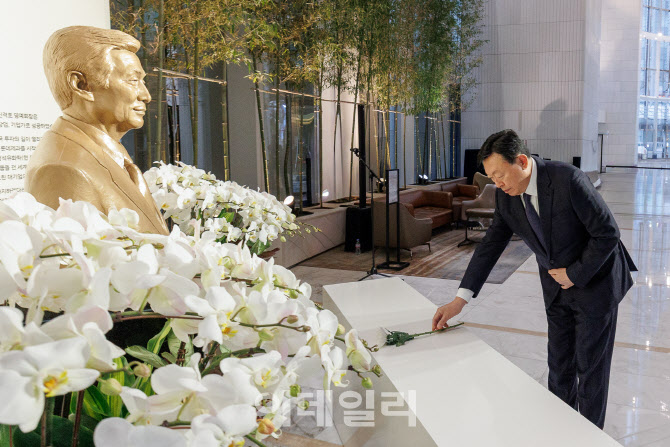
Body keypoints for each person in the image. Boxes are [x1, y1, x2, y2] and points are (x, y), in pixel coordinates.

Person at [432, 129, 636, 429]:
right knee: (559, 366)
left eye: (500, 175)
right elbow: (490, 246)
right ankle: (560, 430)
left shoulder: (568, 179)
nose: (498, 183)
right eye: (491, 177)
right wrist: (460, 300)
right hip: (555, 287)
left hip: (596, 282)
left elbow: (607, 234)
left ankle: (590, 436)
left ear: (522, 161)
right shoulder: (506, 197)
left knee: (590, 370)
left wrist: (574, 274)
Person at [25, 26, 168, 235]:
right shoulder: (64, 170)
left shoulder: (108, 151)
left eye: (142, 81)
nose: (146, 95)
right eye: (133, 80)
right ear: (81, 85)